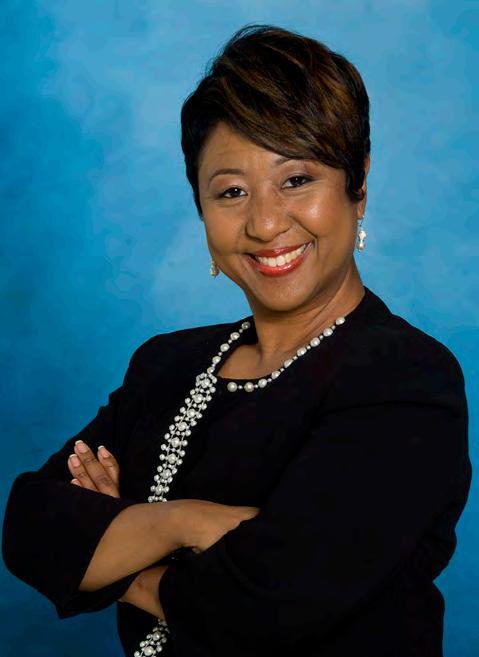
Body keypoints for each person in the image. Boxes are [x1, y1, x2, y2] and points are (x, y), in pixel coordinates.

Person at [2, 23, 471, 657]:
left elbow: (270, 605)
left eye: (296, 180)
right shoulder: (166, 365)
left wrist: (121, 556)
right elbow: (29, 527)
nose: (266, 223)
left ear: (357, 185)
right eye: (231, 192)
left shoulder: (406, 377)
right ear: (200, 206)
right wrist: (183, 522)